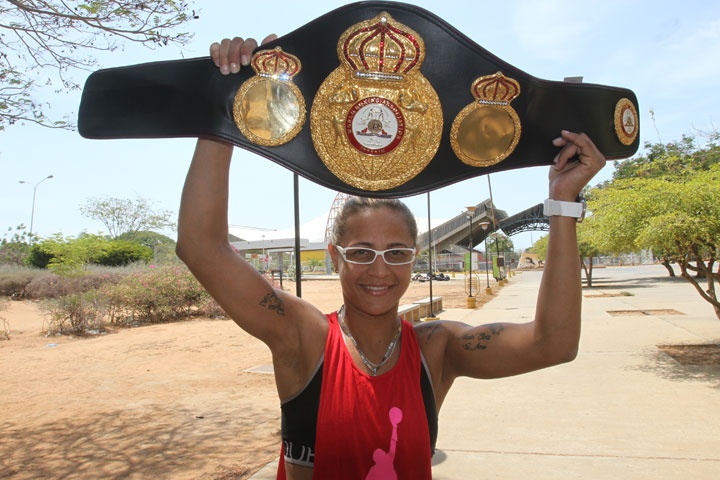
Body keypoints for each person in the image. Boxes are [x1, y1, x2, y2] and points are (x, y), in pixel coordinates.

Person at [176, 35, 607, 480]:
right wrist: (225, 112)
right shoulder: (302, 337)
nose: (379, 269)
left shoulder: (436, 351)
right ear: (335, 256)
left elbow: (553, 344)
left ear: (414, 257)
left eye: (396, 253)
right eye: (361, 252)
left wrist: (563, 202)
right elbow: (200, 246)